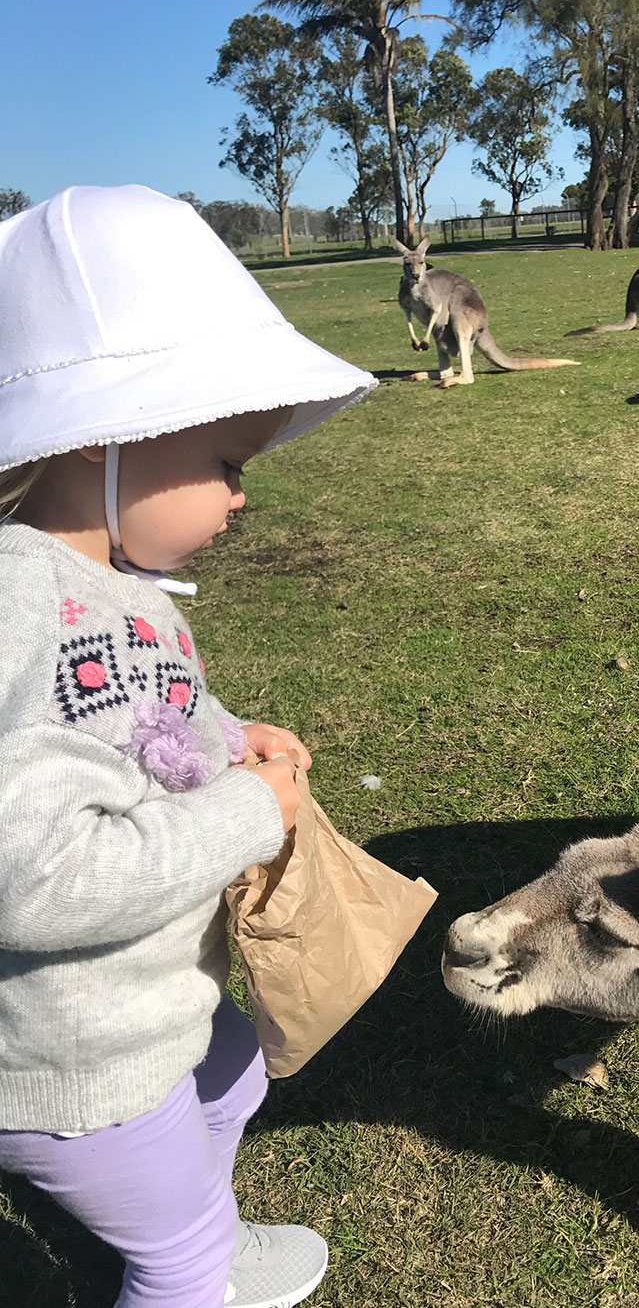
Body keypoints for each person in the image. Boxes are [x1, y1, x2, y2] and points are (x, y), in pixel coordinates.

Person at [0, 185, 377, 1307]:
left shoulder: (120, 584)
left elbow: (133, 716)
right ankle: (188, 1253)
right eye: (227, 460)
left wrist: (223, 739)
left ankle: (193, 1218)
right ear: (111, 436)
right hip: (75, 1059)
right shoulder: (21, 615)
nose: (244, 496)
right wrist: (249, 814)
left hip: (154, 1008)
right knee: (177, 1266)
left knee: (231, 1071)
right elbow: (37, 877)